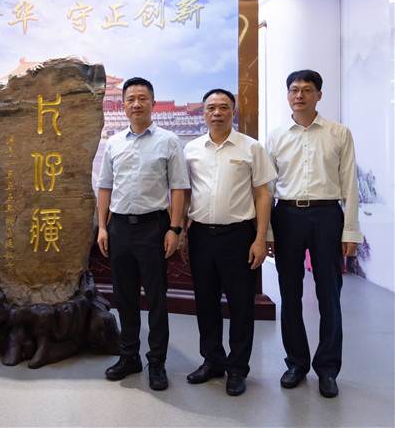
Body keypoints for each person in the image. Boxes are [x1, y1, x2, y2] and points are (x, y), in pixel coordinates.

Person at [265, 69, 363, 398]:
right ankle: (296, 363)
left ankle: (328, 369)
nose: (300, 95)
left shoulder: (339, 133)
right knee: (289, 293)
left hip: (327, 215)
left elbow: (349, 184)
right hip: (287, 216)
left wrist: (351, 230)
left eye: (307, 89)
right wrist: (267, 231)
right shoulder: (276, 137)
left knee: (329, 295)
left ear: (319, 95)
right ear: (287, 95)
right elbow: (267, 188)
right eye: (294, 89)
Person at [181, 89, 276, 396]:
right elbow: (185, 193)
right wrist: (181, 231)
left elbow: (263, 195)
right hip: (201, 235)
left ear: (233, 112)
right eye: (211, 108)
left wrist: (261, 238)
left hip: (239, 237)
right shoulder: (191, 149)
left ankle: (237, 369)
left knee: (241, 304)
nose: (217, 113)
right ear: (203, 112)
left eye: (224, 107)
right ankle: (212, 361)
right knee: (206, 302)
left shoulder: (251, 147)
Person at [96, 77, 189, 391]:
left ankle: (157, 361)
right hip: (119, 227)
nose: (136, 104)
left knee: (157, 298)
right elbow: (105, 187)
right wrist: (102, 227)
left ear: (152, 102)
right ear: (123, 105)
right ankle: (129, 356)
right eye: (131, 99)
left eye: (142, 98)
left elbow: (178, 188)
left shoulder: (168, 141)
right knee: (124, 297)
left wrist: (175, 228)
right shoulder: (114, 143)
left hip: (154, 227)